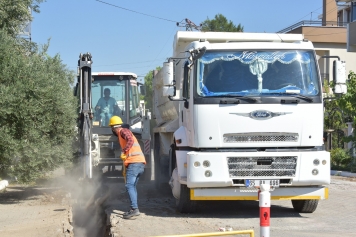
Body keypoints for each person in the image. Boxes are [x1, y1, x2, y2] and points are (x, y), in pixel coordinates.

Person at [109, 116, 146, 219]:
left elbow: (130, 140)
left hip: (134, 163)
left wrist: (124, 151)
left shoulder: (123, 131)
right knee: (132, 187)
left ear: (113, 127)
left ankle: (134, 209)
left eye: (111, 128)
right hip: (140, 163)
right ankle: (133, 208)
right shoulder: (123, 132)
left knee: (129, 186)